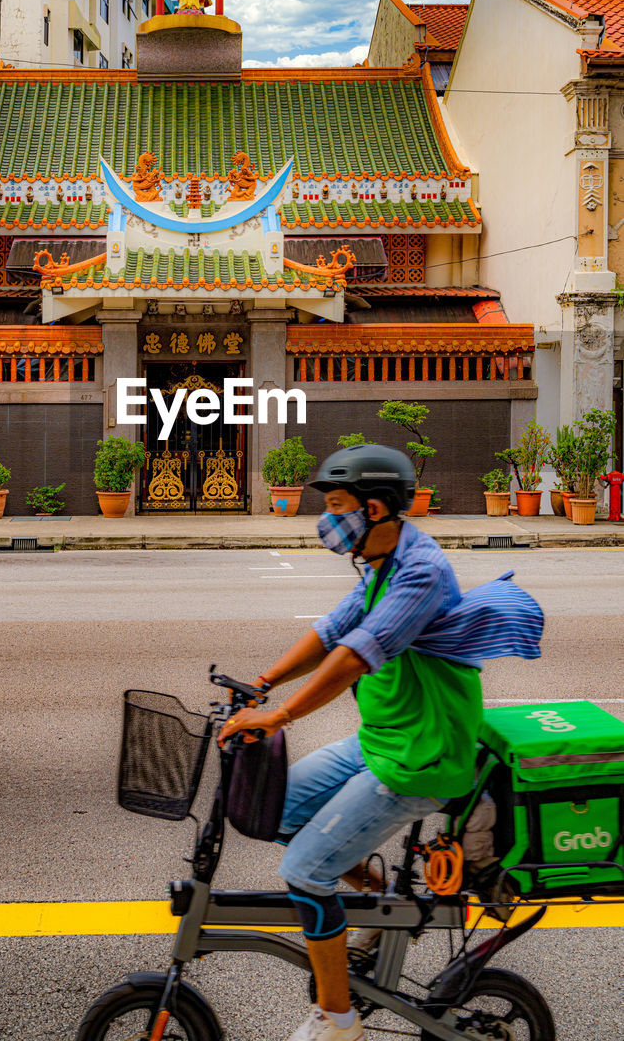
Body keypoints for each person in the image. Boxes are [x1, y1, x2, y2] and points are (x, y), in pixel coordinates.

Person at [219, 443, 543, 1041]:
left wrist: (282, 715)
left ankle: (337, 1020)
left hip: (421, 757)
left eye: (337, 506)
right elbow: (328, 632)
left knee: (306, 872)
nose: (328, 521)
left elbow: (354, 655)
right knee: (281, 811)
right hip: (380, 741)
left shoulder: (420, 572)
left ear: (374, 508)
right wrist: (260, 686)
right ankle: (379, 902)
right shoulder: (380, 566)